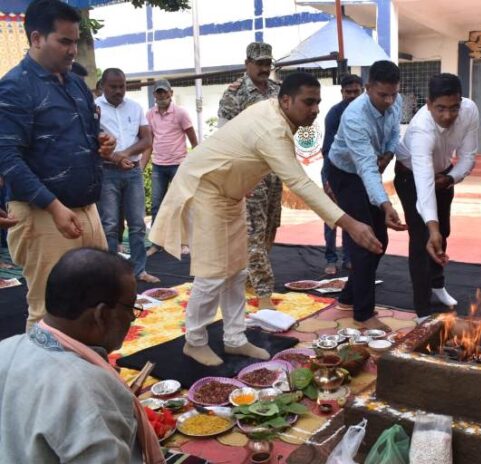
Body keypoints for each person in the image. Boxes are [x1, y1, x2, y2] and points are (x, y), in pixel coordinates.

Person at [150, 72, 383, 366]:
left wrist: (240, 178)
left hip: (230, 193)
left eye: (317, 102)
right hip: (205, 188)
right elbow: (299, 182)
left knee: (236, 271)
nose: (314, 110)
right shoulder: (272, 127)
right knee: (213, 274)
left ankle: (235, 339)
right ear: (285, 101)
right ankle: (194, 342)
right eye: (308, 102)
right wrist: (350, 224)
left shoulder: (277, 116)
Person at [0, 0, 116, 331]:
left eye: (75, 41)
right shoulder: (15, 86)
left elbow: (89, 133)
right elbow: (7, 158)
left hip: (86, 209)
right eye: (64, 41)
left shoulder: (75, 83)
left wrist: (103, 142)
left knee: (95, 302)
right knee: (49, 313)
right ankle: (43, 369)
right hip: (43, 214)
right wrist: (53, 206)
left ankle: (86, 365)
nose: (72, 50)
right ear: (37, 38)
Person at [0, 247, 164, 463]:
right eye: (131, 308)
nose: (133, 318)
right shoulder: (90, 393)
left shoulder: (7, 348)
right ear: (101, 315)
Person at [327, 60, 408, 331]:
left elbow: (394, 132)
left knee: (380, 239)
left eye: (393, 94)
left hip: (373, 165)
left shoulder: (395, 101)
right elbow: (365, 168)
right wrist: (385, 204)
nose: (389, 101)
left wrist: (388, 153)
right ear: (368, 87)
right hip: (346, 174)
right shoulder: (354, 117)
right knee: (364, 241)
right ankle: (363, 314)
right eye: (382, 95)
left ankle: (349, 296)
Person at [395, 73, 479, 321]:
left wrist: (451, 178)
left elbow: (468, 156)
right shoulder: (421, 129)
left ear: (461, 101)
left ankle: (437, 285)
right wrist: (432, 228)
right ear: (429, 104)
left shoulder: (469, 111)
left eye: (454, 108)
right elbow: (423, 185)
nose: (447, 115)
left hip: (444, 174)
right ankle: (422, 310)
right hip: (411, 177)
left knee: (444, 232)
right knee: (423, 239)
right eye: (440, 108)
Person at [218, 41, 282, 311]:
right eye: (259, 63)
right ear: (247, 64)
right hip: (250, 171)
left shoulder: (279, 92)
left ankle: (248, 279)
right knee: (254, 232)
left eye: (268, 63)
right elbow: (224, 136)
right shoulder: (234, 94)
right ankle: (264, 294)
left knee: (270, 229)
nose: (264, 68)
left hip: (275, 170)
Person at [96, 68, 159, 283]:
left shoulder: (135, 107)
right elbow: (90, 141)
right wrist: (115, 159)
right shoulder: (94, 109)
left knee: (137, 224)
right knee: (110, 225)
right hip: (106, 172)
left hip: (132, 171)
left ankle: (139, 270)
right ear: (102, 86)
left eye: (122, 86)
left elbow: (147, 140)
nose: (118, 91)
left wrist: (123, 155)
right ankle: (112, 275)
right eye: (113, 87)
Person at [143, 78, 198, 256]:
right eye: (158, 93)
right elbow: (149, 142)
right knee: (157, 206)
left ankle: (184, 242)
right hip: (158, 166)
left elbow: (192, 138)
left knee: (181, 204)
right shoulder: (150, 115)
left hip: (179, 166)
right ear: (154, 95)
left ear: (171, 93)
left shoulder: (181, 113)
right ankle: (156, 243)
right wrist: (142, 165)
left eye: (164, 92)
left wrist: (198, 160)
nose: (162, 96)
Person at [321, 74, 363, 275]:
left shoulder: (366, 113)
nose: (352, 95)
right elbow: (327, 150)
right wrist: (328, 180)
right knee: (331, 215)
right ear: (342, 92)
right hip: (332, 170)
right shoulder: (334, 114)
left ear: (363, 91)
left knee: (350, 214)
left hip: (354, 172)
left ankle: (349, 257)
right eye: (348, 92)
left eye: (356, 91)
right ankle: (331, 259)